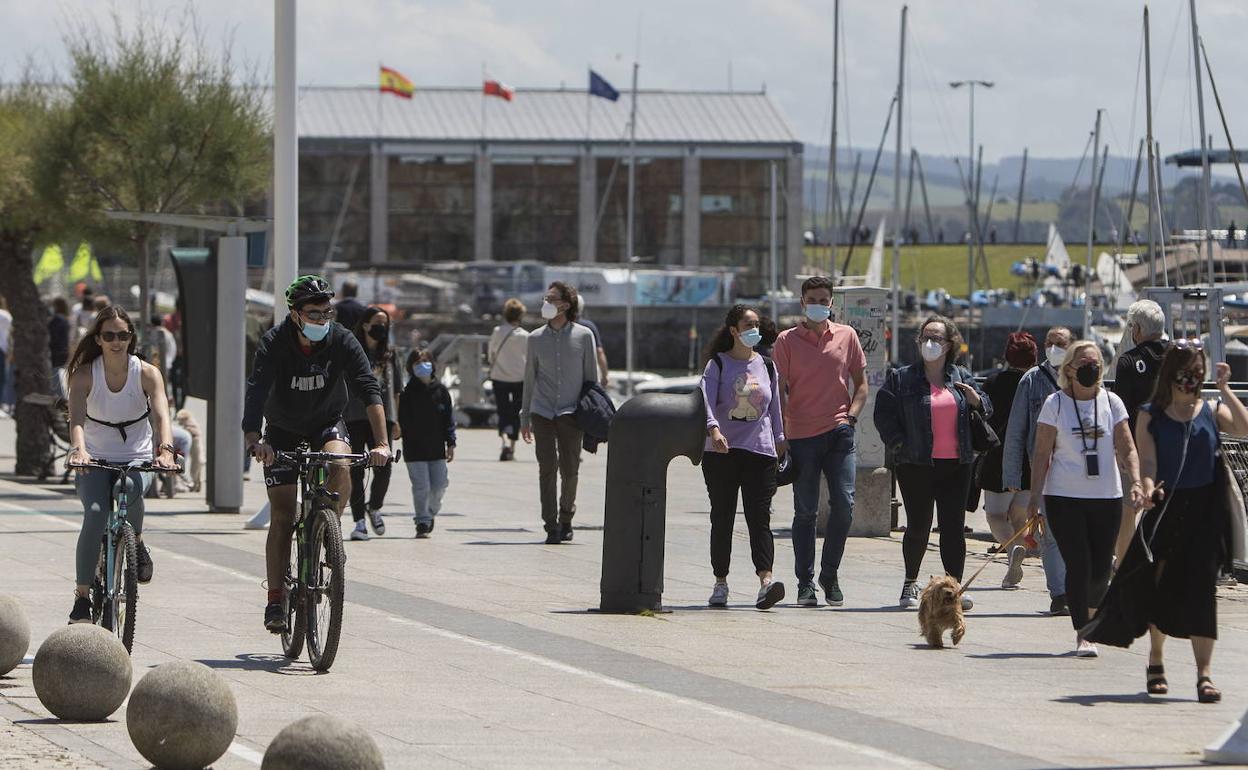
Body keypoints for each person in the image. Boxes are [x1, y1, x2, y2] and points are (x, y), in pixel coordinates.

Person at [1086, 343, 1248, 701]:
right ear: (1171, 373)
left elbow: (1244, 428)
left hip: (1206, 513)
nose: (1192, 377)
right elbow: (1148, 465)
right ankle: (1156, 657)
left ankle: (1204, 675)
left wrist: (1224, 389)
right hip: (1166, 508)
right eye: (1186, 369)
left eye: (1198, 369)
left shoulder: (1210, 410)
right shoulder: (1151, 414)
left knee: (1203, 593)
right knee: (1159, 586)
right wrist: (1144, 490)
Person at [244, 275, 390, 633]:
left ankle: (329, 530)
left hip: (326, 421)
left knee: (340, 462)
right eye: (314, 314)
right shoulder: (274, 342)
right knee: (281, 515)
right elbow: (256, 392)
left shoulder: (342, 338)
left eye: (327, 313)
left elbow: (368, 389)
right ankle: (275, 599)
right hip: (281, 429)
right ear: (295, 315)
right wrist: (254, 440)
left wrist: (382, 443)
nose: (322, 321)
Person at [1026, 341, 1145, 657]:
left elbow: (1127, 446)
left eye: (1095, 362)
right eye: (1083, 363)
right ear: (1069, 369)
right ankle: (1084, 633)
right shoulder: (1055, 404)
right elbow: (1041, 454)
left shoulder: (1112, 402)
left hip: (1106, 495)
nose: (1090, 367)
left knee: (1101, 568)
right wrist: (1034, 497)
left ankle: (1092, 619)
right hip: (1064, 497)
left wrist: (1135, 481)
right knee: (1078, 564)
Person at [64, 306, 178, 622]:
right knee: (97, 513)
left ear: (132, 337)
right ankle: (82, 597)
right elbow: (76, 419)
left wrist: (165, 450)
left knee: (128, 488)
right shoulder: (85, 374)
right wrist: (79, 450)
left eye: (123, 335)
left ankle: (137, 541)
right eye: (109, 336)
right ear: (98, 339)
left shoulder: (146, 373)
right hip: (95, 456)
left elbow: (161, 415)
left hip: (136, 456)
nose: (117, 342)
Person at [874, 315, 990, 610]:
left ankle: (954, 589)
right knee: (918, 526)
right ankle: (910, 583)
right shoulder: (902, 377)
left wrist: (978, 401)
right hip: (916, 464)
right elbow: (883, 415)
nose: (930, 343)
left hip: (957, 463)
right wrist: (900, 445)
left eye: (937, 338)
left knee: (953, 528)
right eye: (925, 337)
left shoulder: (961, 376)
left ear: (950, 344)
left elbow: (987, 407)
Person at [773, 276, 868, 607]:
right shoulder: (786, 341)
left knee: (844, 504)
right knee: (806, 511)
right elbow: (778, 390)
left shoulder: (847, 336)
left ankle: (830, 573)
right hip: (801, 436)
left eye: (824, 299)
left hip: (839, 433)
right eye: (812, 298)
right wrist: (781, 434)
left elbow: (861, 384)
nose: (818, 304)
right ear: (802, 302)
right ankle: (805, 582)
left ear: (832, 303)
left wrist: (851, 418)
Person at [700, 305, 787, 610]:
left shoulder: (767, 366)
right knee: (722, 517)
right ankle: (720, 582)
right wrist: (713, 430)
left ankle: (766, 582)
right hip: (721, 453)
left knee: (759, 520)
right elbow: (706, 403)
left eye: (757, 324)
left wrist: (779, 439)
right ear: (734, 331)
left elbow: (775, 407)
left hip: (760, 452)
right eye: (748, 324)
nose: (754, 329)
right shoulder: (718, 365)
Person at [1003, 326, 1074, 615]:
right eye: (1050, 343)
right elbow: (1016, 430)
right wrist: (1011, 475)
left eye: (1061, 343)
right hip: (1043, 469)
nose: (1054, 348)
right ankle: (1060, 593)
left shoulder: (1082, 378)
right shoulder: (1031, 381)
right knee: (1051, 534)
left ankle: (1077, 586)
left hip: (1079, 469)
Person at [520, 282, 598, 545]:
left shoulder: (584, 336)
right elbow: (529, 379)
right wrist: (525, 417)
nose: (546, 303)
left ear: (565, 304)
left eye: (551, 299)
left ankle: (566, 516)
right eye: (545, 298)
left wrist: (590, 416)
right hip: (542, 411)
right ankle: (550, 524)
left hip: (571, 412)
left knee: (570, 469)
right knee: (547, 468)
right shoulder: (534, 338)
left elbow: (591, 380)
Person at [978, 331, 1037, 589]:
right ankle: (1017, 557)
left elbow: (984, 415)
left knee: (995, 515)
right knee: (1018, 516)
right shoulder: (1038, 382)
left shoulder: (994, 382)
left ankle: (1013, 550)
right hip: (1030, 458)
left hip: (999, 457)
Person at [1112, 299, 1168, 563]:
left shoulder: (1128, 362)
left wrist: (1119, 449)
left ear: (1136, 329)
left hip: (1135, 448)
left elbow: (1121, 411)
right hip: (1172, 445)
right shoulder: (1179, 357)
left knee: (1128, 513)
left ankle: (1123, 567)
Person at [345, 307, 401, 541]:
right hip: (354, 416)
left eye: (385, 323)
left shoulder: (389, 353)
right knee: (355, 470)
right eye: (377, 322)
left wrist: (396, 419)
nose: (381, 327)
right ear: (365, 324)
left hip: (383, 416)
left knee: (385, 466)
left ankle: (374, 507)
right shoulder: (352, 350)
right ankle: (359, 521)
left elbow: (397, 389)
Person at [399, 350, 456, 538]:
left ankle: (430, 512)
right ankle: (422, 521)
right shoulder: (407, 393)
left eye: (425, 362)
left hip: (436, 448)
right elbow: (402, 419)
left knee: (440, 485)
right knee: (421, 486)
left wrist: (451, 443)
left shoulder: (441, 391)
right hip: (414, 449)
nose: (422, 365)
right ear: (411, 367)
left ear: (432, 364)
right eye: (417, 363)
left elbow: (449, 419)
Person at [488, 299, 529, 462]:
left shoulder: (497, 331)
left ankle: (504, 442)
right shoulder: (525, 336)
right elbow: (530, 358)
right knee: (516, 412)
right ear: (520, 316)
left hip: (500, 376)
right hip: (520, 378)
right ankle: (512, 446)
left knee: (502, 410)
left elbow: (491, 352)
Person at [575, 296, 610, 388]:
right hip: (588, 378)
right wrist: (605, 376)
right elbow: (599, 352)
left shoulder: (559, 327)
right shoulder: (588, 326)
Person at [48, 297, 71, 397]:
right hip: (63, 351)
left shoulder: (57, 319)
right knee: (57, 376)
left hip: (56, 352)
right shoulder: (65, 319)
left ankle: (61, 400)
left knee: (55, 377)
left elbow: (53, 337)